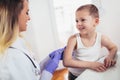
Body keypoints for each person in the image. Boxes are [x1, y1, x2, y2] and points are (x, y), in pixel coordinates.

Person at [0, 0, 65, 80]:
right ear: (14, 14)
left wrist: (48, 59)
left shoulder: (17, 44)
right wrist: (48, 72)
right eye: (27, 13)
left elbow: (32, 72)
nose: (29, 18)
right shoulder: (12, 56)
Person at [63, 4, 118, 80]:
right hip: (75, 76)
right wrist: (91, 65)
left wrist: (110, 57)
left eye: (83, 20)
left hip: (92, 73)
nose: (78, 24)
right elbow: (67, 62)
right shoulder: (73, 39)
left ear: (96, 21)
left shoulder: (101, 38)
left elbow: (113, 47)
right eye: (76, 20)